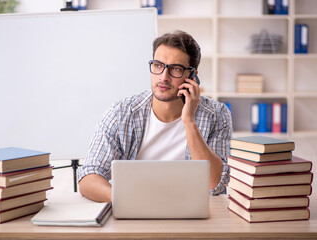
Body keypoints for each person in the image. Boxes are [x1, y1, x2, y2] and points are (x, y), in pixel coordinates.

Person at [77, 30, 232, 203]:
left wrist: (189, 121)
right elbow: (88, 176)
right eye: (158, 65)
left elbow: (215, 183)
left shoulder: (217, 115)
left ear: (192, 75)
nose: (164, 77)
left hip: (192, 215)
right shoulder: (121, 113)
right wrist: (123, 199)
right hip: (134, 211)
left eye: (176, 69)